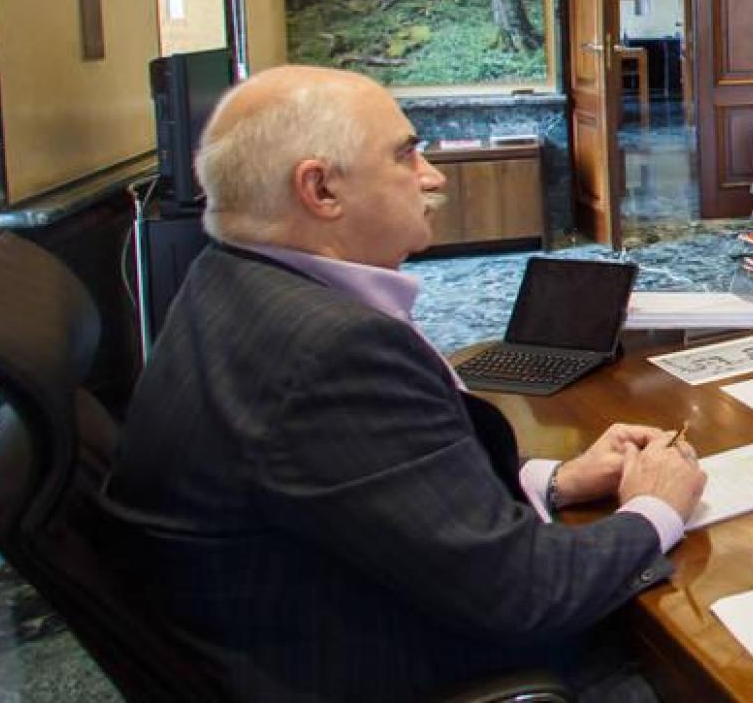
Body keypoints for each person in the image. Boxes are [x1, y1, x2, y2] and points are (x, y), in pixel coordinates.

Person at [110, 66, 706, 702]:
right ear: (321, 189)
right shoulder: (331, 354)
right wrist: (655, 508)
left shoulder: (228, 284)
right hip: (428, 666)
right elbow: (528, 592)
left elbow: (379, 486)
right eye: (406, 155)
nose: (433, 175)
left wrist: (555, 479)